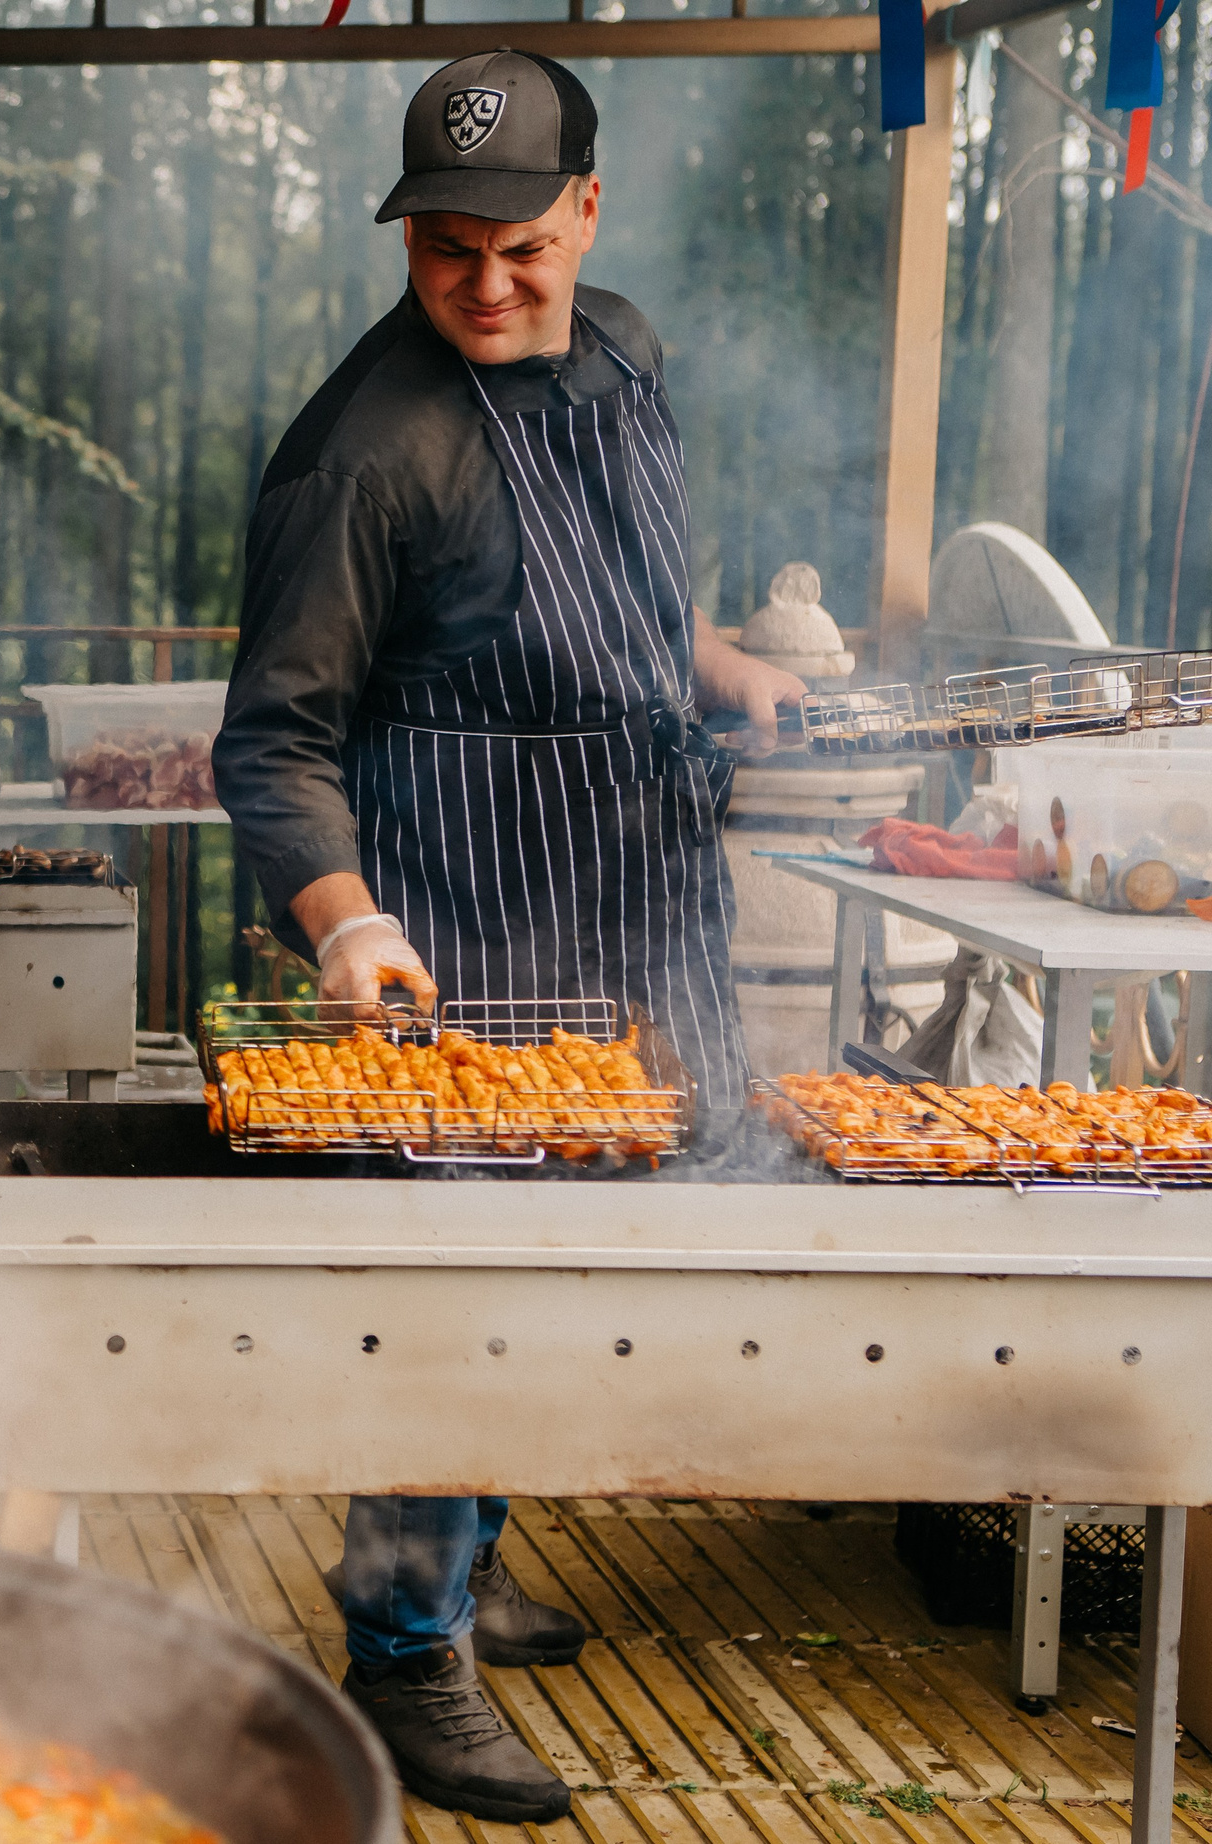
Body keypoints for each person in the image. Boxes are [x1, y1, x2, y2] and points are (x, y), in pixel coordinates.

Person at [212, 52, 807, 1824]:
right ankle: (403, 1648)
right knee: (454, 1290)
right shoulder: (362, 452)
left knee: (563, 1278)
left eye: (521, 245)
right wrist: (348, 923)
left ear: (589, 216)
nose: (486, 284)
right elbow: (273, 739)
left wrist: (720, 668)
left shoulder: (621, 348)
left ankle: (463, 1555)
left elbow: (641, 580)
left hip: (638, 905)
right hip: (460, 953)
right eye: (447, 249)